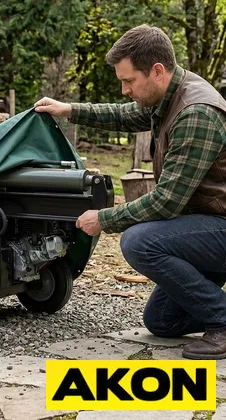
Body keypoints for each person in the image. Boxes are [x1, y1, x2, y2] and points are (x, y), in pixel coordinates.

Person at [34, 24, 226, 359]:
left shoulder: (196, 113)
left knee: (139, 241)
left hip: (218, 228)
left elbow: (166, 203)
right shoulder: (169, 95)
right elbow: (123, 116)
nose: (125, 90)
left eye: (129, 81)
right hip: (205, 225)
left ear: (157, 71)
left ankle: (222, 322)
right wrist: (68, 109)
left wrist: (104, 219)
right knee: (162, 321)